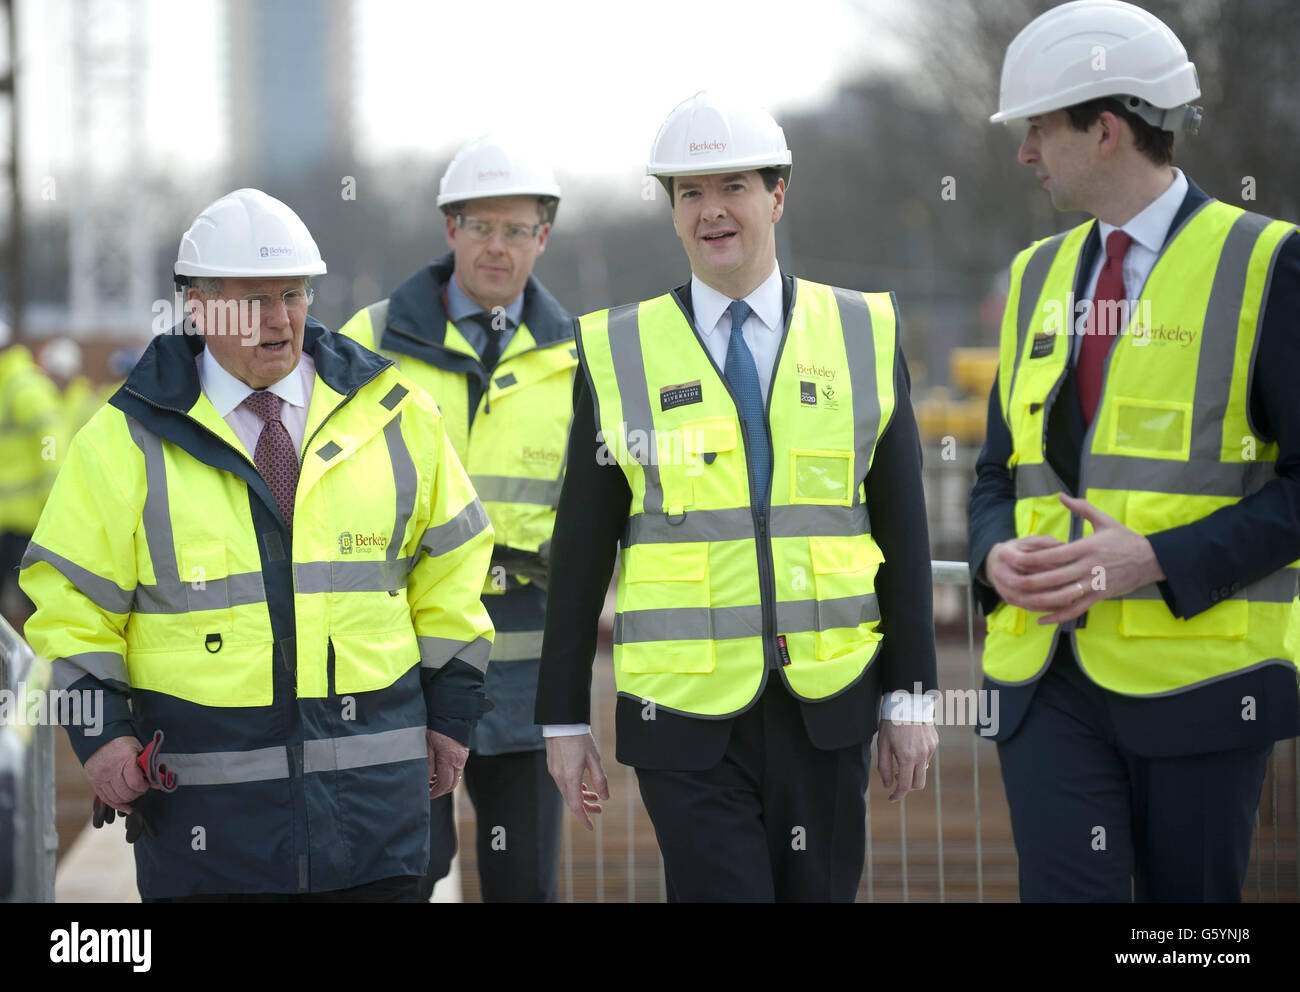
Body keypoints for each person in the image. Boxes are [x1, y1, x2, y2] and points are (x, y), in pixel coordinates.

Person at [19, 188, 495, 901]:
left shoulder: (396, 416)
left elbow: (454, 566)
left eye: (293, 295)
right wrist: (103, 735)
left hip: (375, 830)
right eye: (253, 302)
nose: (279, 321)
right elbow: (70, 603)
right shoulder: (125, 441)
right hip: (208, 840)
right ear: (199, 307)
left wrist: (453, 716)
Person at [536, 91, 939, 902]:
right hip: (682, 721)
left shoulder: (863, 332)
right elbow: (580, 550)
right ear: (673, 212)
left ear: (778, 195)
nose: (712, 212)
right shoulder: (619, 351)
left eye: (734, 188)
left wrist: (909, 695)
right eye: (690, 194)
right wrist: (563, 719)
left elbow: (902, 529)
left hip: (827, 708)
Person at [969, 0, 1300, 902]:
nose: (1026, 152)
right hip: (1046, 682)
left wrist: (1154, 559)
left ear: (1105, 129)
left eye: (1038, 128)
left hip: (1201, 683)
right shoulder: (1036, 276)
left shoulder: (1268, 265)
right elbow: (999, 472)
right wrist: (993, 552)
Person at [340, 136, 573, 902]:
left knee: (523, 883)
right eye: (480, 226)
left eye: (516, 230)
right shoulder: (370, 342)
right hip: (405, 674)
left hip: (529, 680)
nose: (496, 247)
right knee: (404, 874)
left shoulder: (581, 358)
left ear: (543, 237)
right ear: (450, 231)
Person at [0, 328, 64, 625]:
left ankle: (40, 668)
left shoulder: (23, 386)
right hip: (9, 519)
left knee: (33, 606)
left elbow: (50, 441)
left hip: (26, 519)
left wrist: (49, 497)